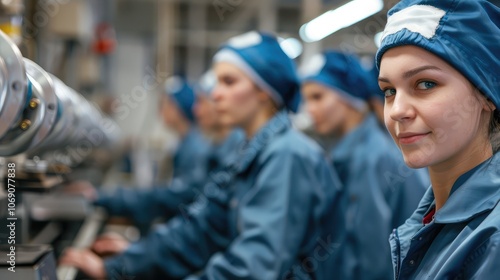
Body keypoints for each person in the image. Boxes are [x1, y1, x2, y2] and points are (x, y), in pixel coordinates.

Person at [60, 31, 346, 280]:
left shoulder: (287, 156)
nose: (216, 94)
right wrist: (131, 261)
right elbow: (200, 229)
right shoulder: (250, 151)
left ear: (263, 92)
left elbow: (253, 268)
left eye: (229, 82)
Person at [376, 0, 500, 278]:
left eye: (425, 84)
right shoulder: (430, 219)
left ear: (487, 95)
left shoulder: (492, 241)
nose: (397, 111)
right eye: (389, 90)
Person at [300, 50, 428, 279]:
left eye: (318, 97)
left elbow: (374, 254)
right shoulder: (345, 153)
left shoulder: (374, 158)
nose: (309, 110)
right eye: (306, 99)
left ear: (348, 98)